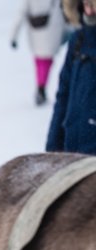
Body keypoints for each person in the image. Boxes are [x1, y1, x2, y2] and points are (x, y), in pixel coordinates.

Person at [46, 0, 96, 154]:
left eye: (93, 6)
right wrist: (52, 149)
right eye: (85, 5)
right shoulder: (77, 41)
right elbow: (63, 97)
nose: (89, 12)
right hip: (71, 151)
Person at [10, 0, 69, 105]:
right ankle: (41, 88)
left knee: (41, 62)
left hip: (37, 33)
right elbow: (62, 13)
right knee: (45, 62)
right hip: (51, 32)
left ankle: (41, 87)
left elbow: (20, 14)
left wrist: (13, 36)